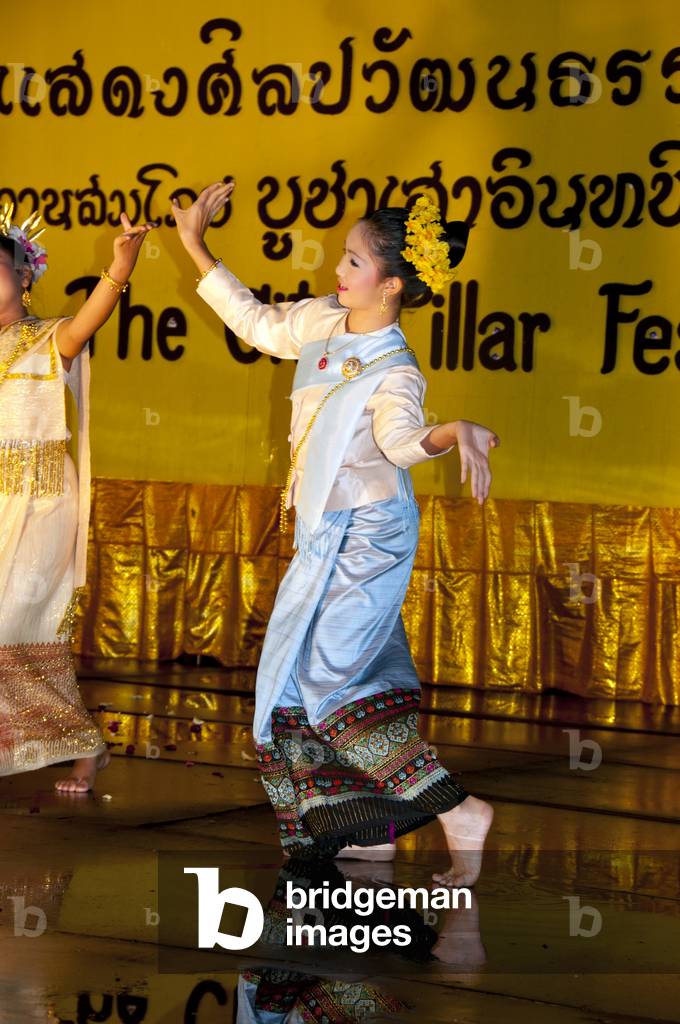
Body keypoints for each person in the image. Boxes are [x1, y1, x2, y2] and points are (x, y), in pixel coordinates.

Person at [172, 182, 499, 886]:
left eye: (353, 263)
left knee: (325, 679)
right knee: (303, 676)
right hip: (324, 531)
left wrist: (453, 431)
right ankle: (369, 824)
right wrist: (196, 244)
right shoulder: (324, 320)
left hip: (371, 536)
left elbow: (404, 442)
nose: (338, 272)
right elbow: (258, 324)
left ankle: (459, 811)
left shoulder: (395, 368)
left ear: (393, 285)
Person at [0, 201, 157, 793]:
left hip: (40, 501)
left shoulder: (48, 337)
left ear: (24, 276)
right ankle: (73, 740)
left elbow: (89, 319)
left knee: (13, 621)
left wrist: (119, 268)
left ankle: (80, 743)